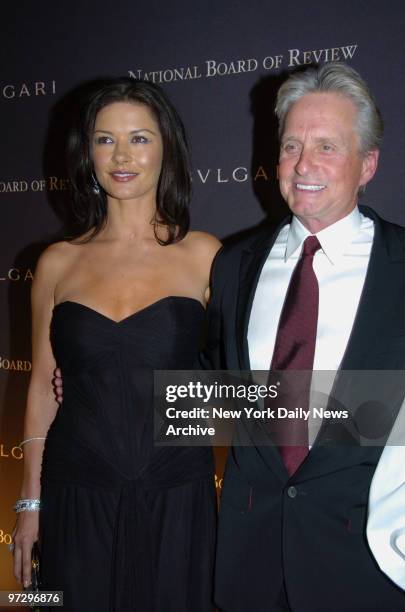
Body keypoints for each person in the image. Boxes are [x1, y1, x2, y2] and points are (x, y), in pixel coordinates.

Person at [12, 77, 220, 611]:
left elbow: (238, 377)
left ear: (166, 147)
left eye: (139, 138)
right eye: (104, 140)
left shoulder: (204, 255)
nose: (121, 155)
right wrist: (29, 504)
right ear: (87, 154)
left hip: (177, 491)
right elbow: (40, 386)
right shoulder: (56, 261)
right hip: (75, 486)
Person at [203, 62, 405, 611]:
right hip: (248, 567)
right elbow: (221, 395)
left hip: (369, 571)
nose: (304, 165)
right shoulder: (234, 266)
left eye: (326, 147)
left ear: (368, 165)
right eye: (292, 146)